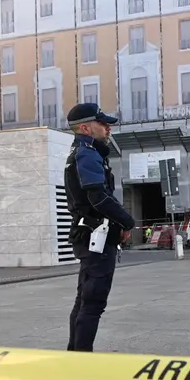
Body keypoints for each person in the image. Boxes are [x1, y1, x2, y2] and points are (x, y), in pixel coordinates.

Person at [63, 103, 136, 352]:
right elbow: (98, 197)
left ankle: (75, 356)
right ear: (85, 128)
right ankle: (82, 361)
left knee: (84, 301)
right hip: (97, 236)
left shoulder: (83, 152)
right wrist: (127, 221)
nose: (108, 128)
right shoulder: (87, 154)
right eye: (102, 124)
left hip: (89, 235)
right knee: (93, 303)